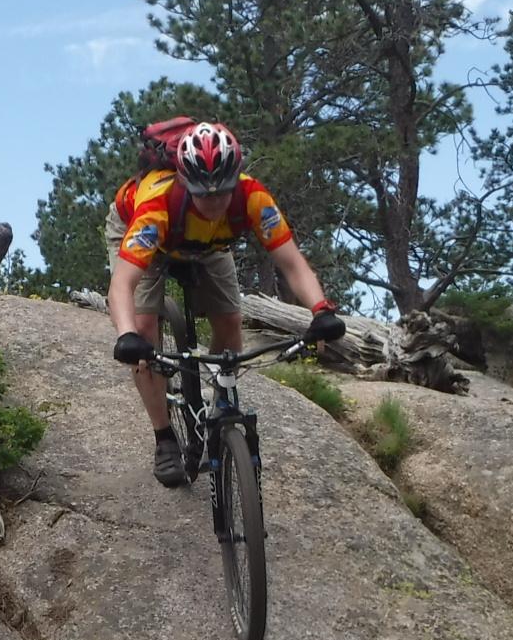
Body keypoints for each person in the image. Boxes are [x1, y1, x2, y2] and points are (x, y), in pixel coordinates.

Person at [106, 119, 347, 486]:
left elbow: (292, 263)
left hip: (209, 245)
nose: (215, 201)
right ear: (185, 182)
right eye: (204, 193)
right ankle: (165, 438)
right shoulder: (157, 206)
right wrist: (126, 335)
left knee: (230, 321)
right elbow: (122, 286)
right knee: (143, 331)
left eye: (223, 192)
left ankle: (217, 397)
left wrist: (321, 310)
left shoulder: (251, 197)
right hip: (146, 239)